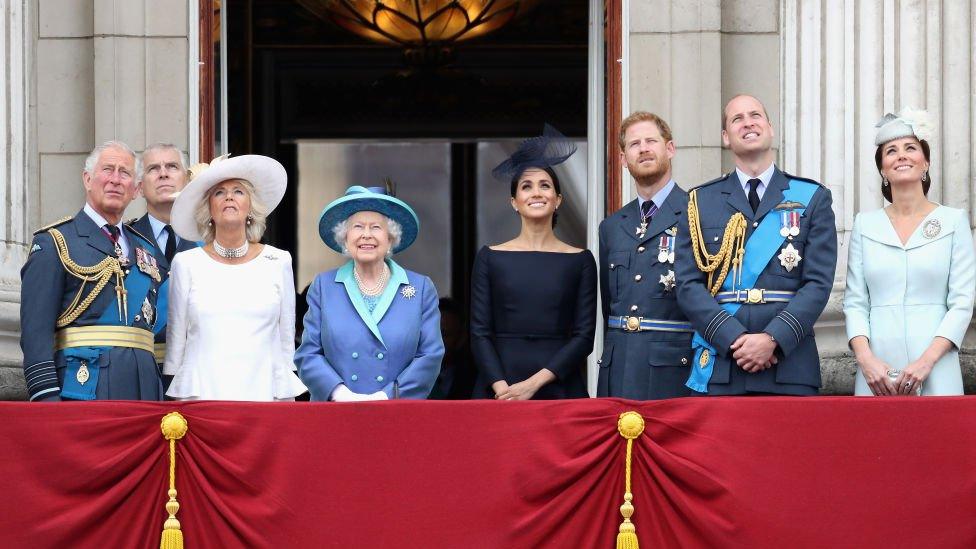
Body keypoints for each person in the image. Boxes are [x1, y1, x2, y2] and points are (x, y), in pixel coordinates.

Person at [675, 94, 837, 395]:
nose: (747, 122)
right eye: (737, 119)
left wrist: (773, 338)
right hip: (724, 364)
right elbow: (687, 284)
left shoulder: (812, 197)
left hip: (789, 365)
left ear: (770, 128)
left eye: (755, 115)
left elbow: (818, 283)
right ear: (726, 137)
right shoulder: (700, 201)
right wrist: (733, 338)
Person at [20, 140, 164, 401]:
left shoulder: (148, 251)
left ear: (136, 189)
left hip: (144, 391)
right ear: (87, 179)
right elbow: (35, 333)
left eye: (125, 173)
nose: (116, 180)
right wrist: (46, 398)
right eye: (108, 170)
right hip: (83, 389)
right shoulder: (55, 242)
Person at [844, 109, 975, 396]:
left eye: (910, 148)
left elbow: (962, 302)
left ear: (925, 162)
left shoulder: (953, 221)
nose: (901, 155)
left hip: (936, 365)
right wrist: (867, 361)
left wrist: (926, 362)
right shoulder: (865, 225)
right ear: (883, 169)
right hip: (876, 370)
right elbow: (855, 301)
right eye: (891, 150)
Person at [164, 155, 308, 400]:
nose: (229, 197)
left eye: (238, 191)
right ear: (208, 209)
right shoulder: (186, 263)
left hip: (264, 395)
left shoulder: (278, 261)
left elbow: (286, 344)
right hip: (203, 397)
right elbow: (176, 344)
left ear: (250, 206)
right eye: (219, 192)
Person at [471, 125, 596, 400]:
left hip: (558, 386)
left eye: (545, 185)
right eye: (526, 187)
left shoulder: (581, 260)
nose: (536, 193)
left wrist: (534, 384)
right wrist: (502, 388)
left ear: (558, 199)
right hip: (499, 388)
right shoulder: (489, 257)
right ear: (514, 201)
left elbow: (584, 337)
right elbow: (479, 333)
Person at [295, 185, 444, 401]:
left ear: (391, 238)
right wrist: (340, 394)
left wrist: (387, 396)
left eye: (376, 227)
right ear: (345, 238)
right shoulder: (324, 286)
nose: (366, 235)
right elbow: (308, 354)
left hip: (398, 412)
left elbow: (430, 356)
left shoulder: (420, 288)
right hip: (336, 412)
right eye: (357, 227)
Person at [598, 112, 694, 400]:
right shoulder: (612, 226)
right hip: (619, 368)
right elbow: (608, 306)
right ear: (623, 159)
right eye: (634, 144)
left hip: (674, 369)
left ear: (670, 148)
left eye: (651, 140)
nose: (643, 148)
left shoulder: (697, 213)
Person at [131, 143, 198, 372]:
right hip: (141, 369)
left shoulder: (208, 243)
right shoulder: (124, 242)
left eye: (172, 166)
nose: (163, 173)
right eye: (153, 169)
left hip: (196, 370)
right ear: (139, 187)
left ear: (187, 181)